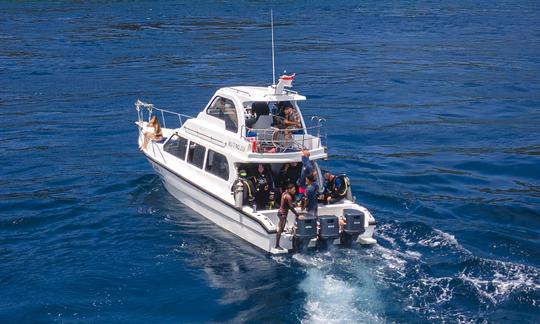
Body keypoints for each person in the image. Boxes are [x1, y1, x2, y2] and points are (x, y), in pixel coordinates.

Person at [275, 183, 302, 250]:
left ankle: (278, 241)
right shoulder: (288, 197)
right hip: (283, 214)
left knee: (281, 227)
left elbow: (287, 204)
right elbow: (291, 207)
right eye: (293, 189)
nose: (294, 191)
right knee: (280, 229)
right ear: (289, 189)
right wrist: (297, 214)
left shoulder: (284, 193)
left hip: (280, 213)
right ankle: (277, 245)